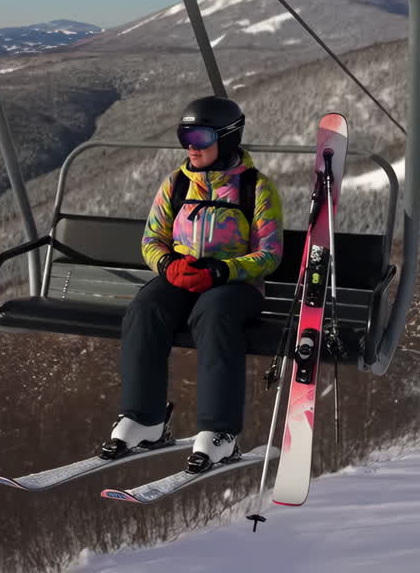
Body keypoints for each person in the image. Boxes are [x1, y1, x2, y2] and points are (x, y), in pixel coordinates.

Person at [99, 95, 284, 473]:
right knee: (145, 308)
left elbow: (270, 253)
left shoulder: (255, 188)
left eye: (200, 137)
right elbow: (152, 240)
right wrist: (168, 265)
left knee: (214, 315)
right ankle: (144, 418)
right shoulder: (177, 184)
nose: (190, 146)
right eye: (185, 135)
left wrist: (221, 272)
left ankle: (219, 433)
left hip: (237, 284)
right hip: (182, 274)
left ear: (227, 138)